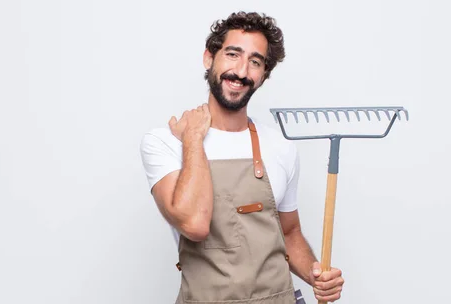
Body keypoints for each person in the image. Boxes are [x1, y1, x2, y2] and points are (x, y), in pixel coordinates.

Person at [139, 11, 344, 304]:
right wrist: (194, 138)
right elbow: (195, 224)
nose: (241, 71)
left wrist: (315, 276)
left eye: (255, 62)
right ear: (209, 58)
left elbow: (289, 232)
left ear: (263, 75)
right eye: (233, 54)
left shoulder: (280, 147)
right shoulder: (165, 143)